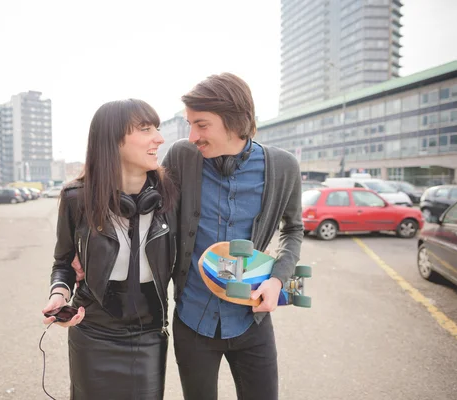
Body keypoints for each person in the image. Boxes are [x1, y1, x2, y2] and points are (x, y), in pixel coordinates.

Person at [161, 73, 304, 399]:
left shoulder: (283, 167)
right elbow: (155, 224)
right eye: (189, 124)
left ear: (234, 121)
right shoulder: (181, 157)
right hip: (192, 319)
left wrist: (279, 279)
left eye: (201, 124)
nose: (192, 135)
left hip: (250, 320)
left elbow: (293, 229)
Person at [42, 99, 177, 399]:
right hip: (92, 332)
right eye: (145, 129)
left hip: (149, 333)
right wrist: (58, 296)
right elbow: (63, 262)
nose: (159, 137)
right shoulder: (76, 198)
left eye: (157, 127)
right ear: (112, 140)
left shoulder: (169, 197)